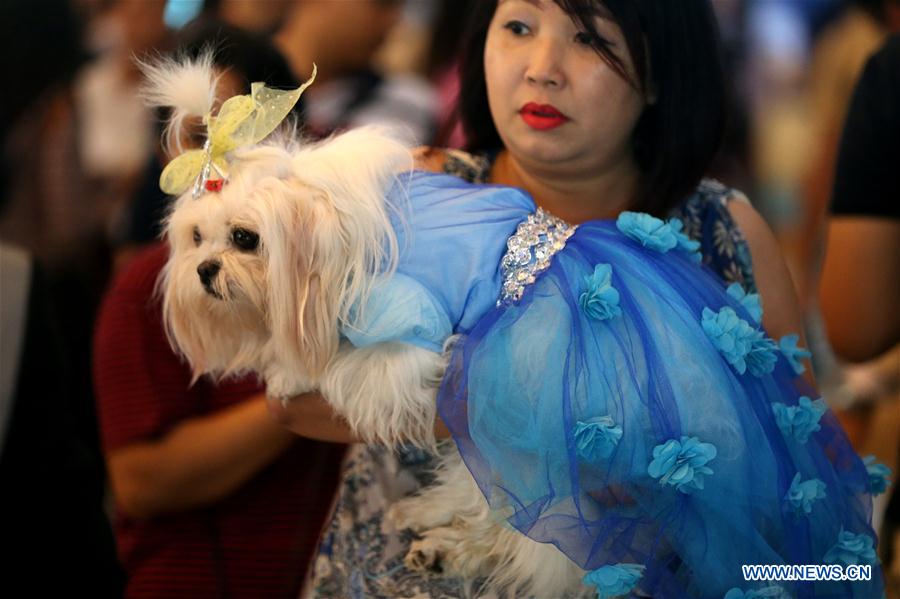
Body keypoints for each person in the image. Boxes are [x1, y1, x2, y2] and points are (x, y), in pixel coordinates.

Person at [268, 1, 886, 597]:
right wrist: (553, 420)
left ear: (659, 72)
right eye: (518, 26)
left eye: (591, 38)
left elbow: (793, 470)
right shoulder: (408, 193)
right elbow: (292, 397)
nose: (542, 68)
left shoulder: (723, 231)